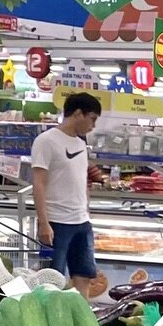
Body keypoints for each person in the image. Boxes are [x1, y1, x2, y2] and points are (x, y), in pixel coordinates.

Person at [30, 92, 101, 296]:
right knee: (51, 281)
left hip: (81, 222)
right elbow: (39, 182)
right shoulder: (46, 141)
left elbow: (82, 180)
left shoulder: (80, 144)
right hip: (56, 223)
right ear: (78, 114)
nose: (93, 126)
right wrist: (44, 222)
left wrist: (86, 210)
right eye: (92, 119)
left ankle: (82, 322)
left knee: (84, 275)